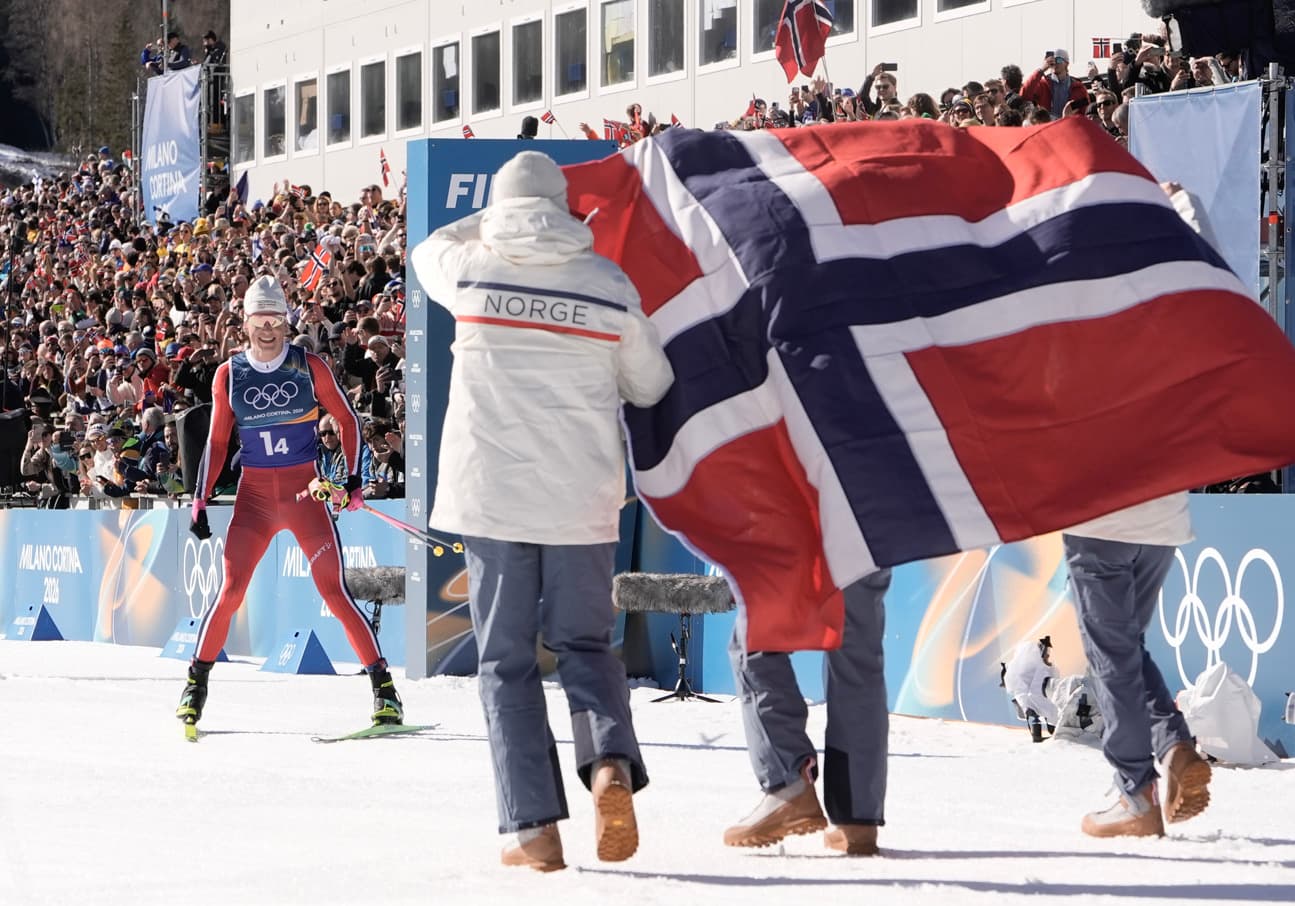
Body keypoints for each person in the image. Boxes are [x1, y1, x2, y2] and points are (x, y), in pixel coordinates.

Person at [410, 151, 673, 871]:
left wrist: (489, 220)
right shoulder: (607, 284)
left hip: (492, 498)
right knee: (587, 647)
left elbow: (426, 246)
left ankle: (533, 829)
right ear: (564, 208)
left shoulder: (470, 271)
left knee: (506, 663)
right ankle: (610, 764)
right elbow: (651, 386)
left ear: (497, 210)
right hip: (581, 502)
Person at [174, 275, 402, 737]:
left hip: (303, 496)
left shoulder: (308, 365)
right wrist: (200, 499)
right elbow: (217, 443)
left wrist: (353, 480)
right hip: (255, 501)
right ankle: (194, 686)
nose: (268, 328)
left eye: (275, 319)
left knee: (334, 592)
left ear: (285, 320)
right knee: (231, 592)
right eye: (259, 319)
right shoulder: (229, 374)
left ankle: (384, 692)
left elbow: (347, 418)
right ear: (245, 323)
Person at [1062, 182, 1215, 838]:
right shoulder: (1179, 306)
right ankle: (1173, 747)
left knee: (1111, 655)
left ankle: (1135, 791)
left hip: (1099, 507)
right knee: (1124, 649)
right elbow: (1209, 258)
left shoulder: (1078, 302)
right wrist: (1181, 204)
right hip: (1164, 505)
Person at [723, 569, 892, 857]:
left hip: (798, 528)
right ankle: (857, 818)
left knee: (756, 636)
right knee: (856, 655)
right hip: (870, 529)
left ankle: (788, 782)